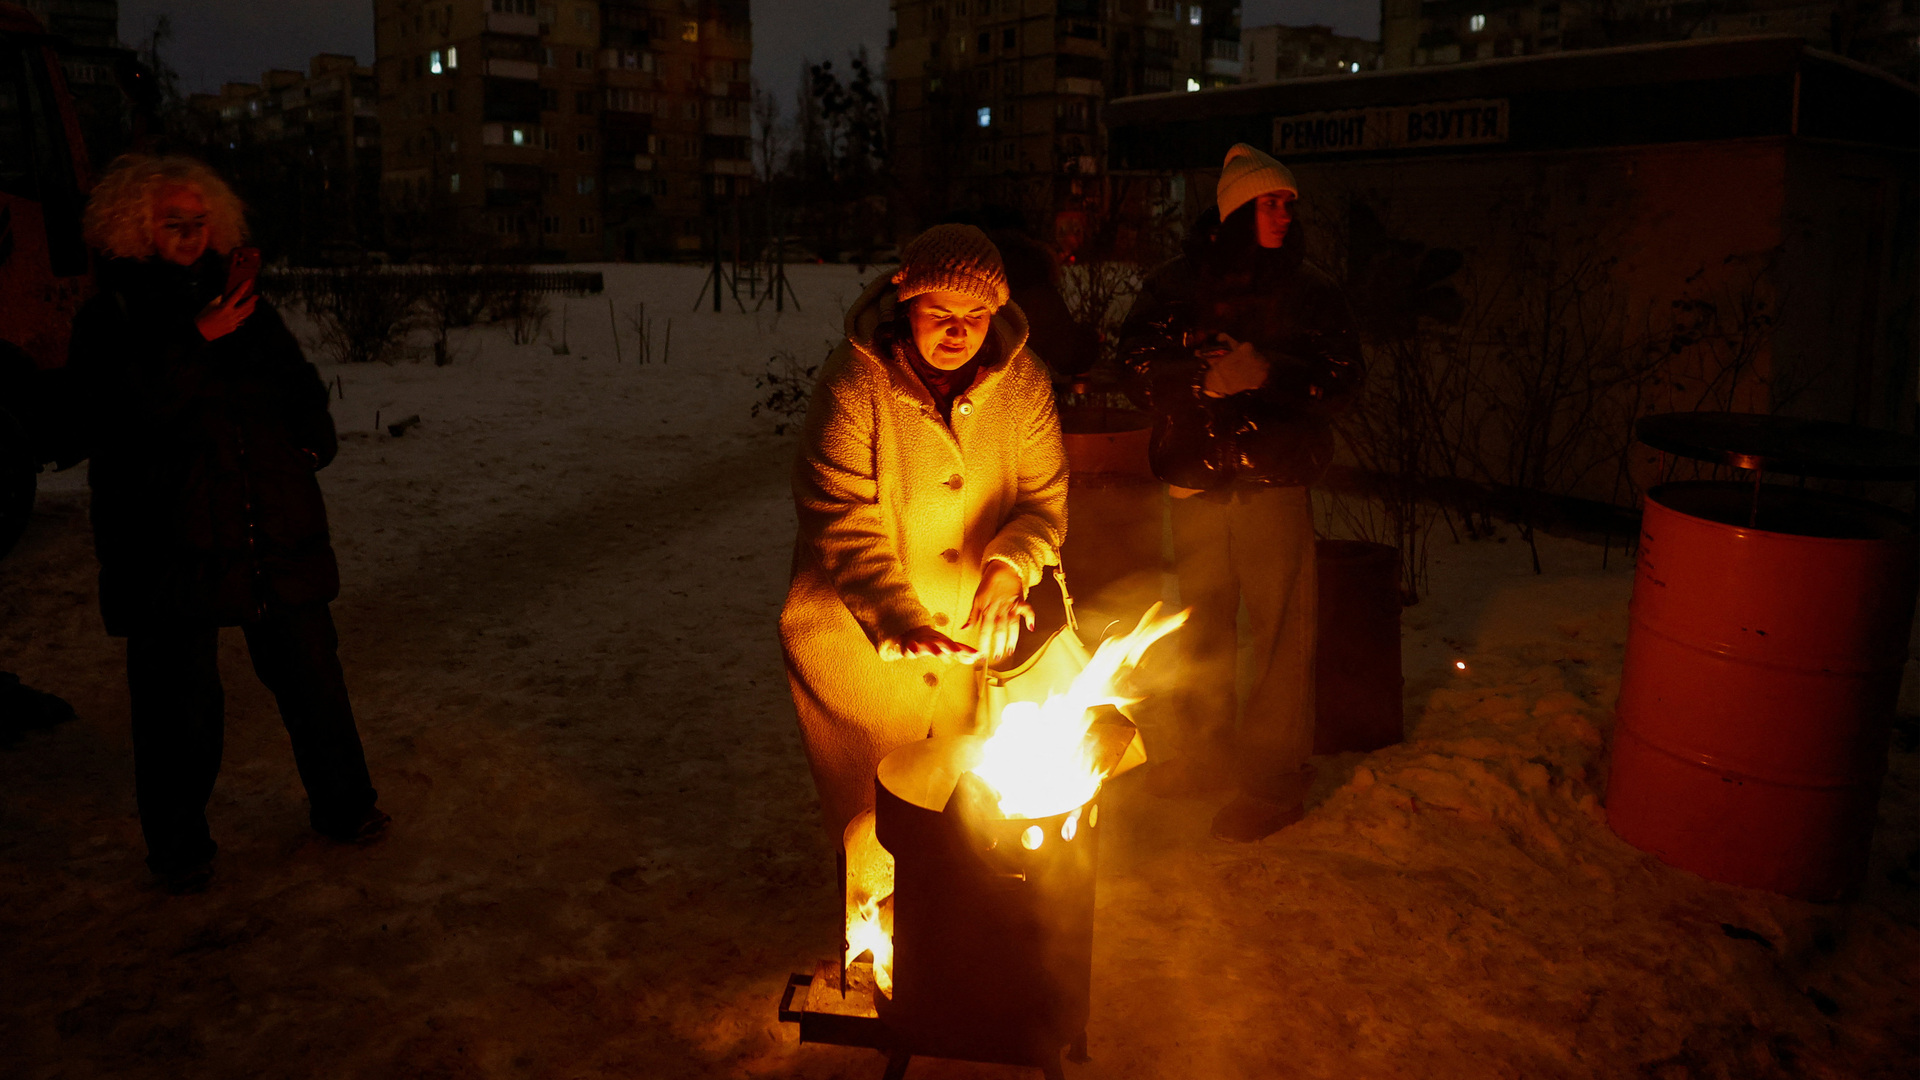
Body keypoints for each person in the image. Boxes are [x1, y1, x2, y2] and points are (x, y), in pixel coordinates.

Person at [67, 154, 386, 894]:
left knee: (312, 676)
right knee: (178, 703)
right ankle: (179, 849)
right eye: (172, 222)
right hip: (169, 538)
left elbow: (296, 382)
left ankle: (346, 806)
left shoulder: (243, 301)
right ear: (135, 228)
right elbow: (108, 419)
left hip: (270, 521)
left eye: (199, 220)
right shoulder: (111, 316)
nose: (189, 234)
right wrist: (196, 339)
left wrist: (312, 439)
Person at [781, 224, 1069, 841]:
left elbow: (1043, 501)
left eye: (975, 316)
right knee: (873, 826)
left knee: (963, 819)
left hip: (966, 651)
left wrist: (1009, 568)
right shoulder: (855, 383)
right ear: (906, 304)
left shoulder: (1024, 382)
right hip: (857, 652)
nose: (958, 333)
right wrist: (897, 616)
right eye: (940, 314)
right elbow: (838, 515)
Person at [1119, 143, 1364, 843]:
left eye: (1289, 203)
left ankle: (1272, 782)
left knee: (1282, 633)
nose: (1285, 214)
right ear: (1233, 213)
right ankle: (1202, 759)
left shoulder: (1311, 292)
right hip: (1195, 481)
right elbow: (1134, 365)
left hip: (1273, 481)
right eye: (1270, 202)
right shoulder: (1174, 286)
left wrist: (1271, 372)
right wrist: (1198, 379)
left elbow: (1343, 379)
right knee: (1200, 628)